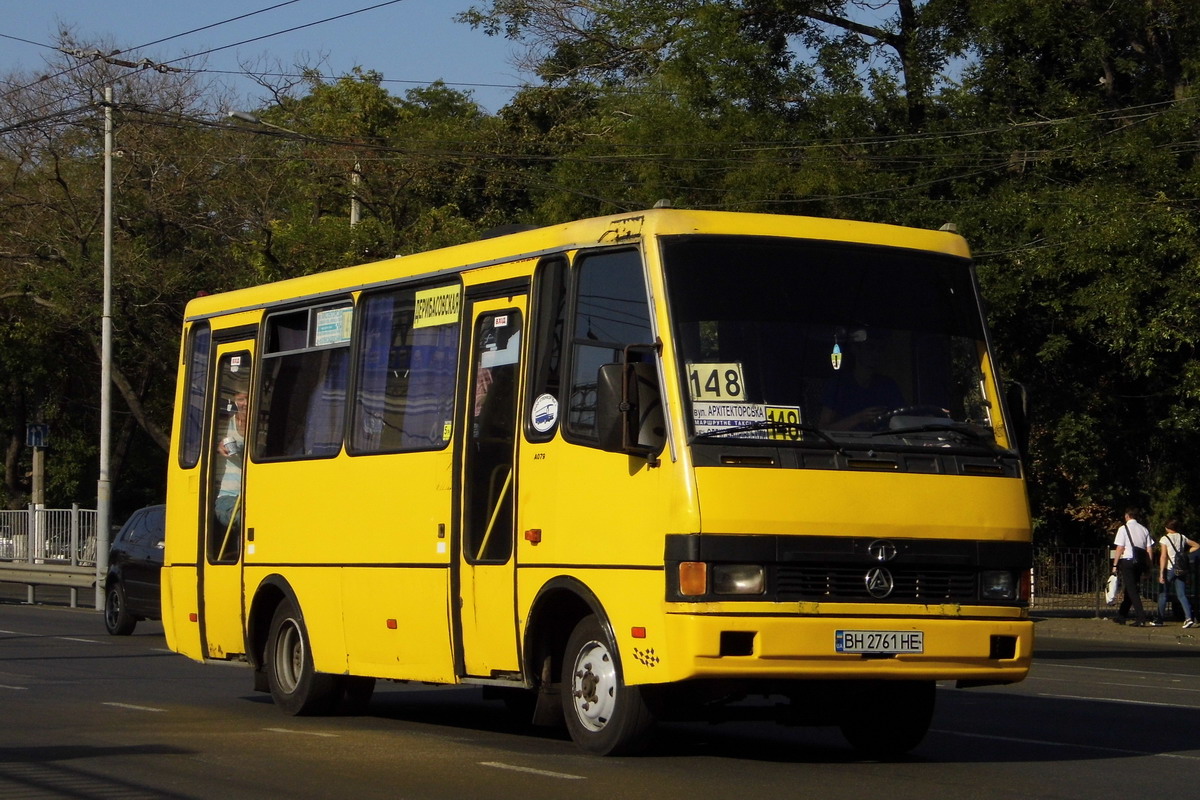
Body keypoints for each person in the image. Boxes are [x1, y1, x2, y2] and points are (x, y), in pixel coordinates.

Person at [819, 329, 905, 431]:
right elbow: (823, 429)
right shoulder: (839, 385)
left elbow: (903, 420)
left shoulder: (888, 386)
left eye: (880, 349)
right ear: (855, 349)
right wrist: (859, 418)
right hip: (847, 444)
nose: (876, 353)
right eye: (870, 348)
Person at [1112, 507, 1155, 626]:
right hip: (1140, 562)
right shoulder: (1144, 529)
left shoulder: (1123, 529)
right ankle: (1122, 615)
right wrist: (1149, 566)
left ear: (1127, 516)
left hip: (1128, 560)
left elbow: (1120, 548)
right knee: (1130, 589)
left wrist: (1115, 564)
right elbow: (1149, 549)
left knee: (1132, 591)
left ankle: (1141, 618)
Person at [1156, 519, 1200, 627]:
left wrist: (1161, 573)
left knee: (1163, 594)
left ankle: (1159, 619)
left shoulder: (1164, 539)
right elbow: (1196, 545)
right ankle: (1188, 618)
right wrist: (1184, 553)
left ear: (1167, 528)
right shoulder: (1182, 537)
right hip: (1181, 569)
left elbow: (1163, 556)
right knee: (1182, 595)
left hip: (1170, 569)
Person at [214, 391, 247, 528]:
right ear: (234, 401)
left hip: (253, 494)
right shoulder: (225, 423)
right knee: (243, 519)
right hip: (228, 495)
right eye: (241, 399)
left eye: (248, 399)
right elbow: (196, 445)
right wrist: (217, 446)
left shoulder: (261, 426)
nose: (244, 404)